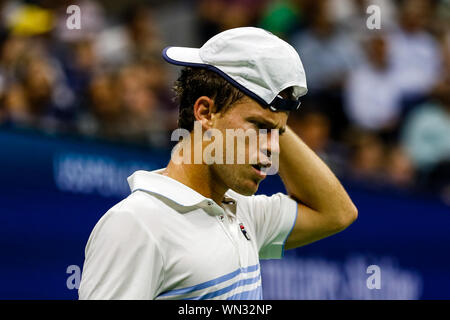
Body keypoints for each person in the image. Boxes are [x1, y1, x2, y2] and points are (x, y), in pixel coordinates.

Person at [78, 27, 357, 300]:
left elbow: (337, 213)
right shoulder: (136, 224)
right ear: (205, 112)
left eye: (278, 134)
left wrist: (274, 114)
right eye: (259, 126)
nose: (273, 148)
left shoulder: (242, 212)